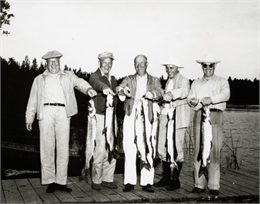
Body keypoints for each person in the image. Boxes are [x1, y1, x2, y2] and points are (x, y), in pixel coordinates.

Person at [25, 50, 97, 193]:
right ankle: (50, 181)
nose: (53, 65)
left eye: (56, 62)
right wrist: (29, 117)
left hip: (64, 112)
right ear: (46, 64)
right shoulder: (39, 79)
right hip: (45, 112)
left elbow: (80, 82)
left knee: (63, 148)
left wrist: (88, 89)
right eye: (50, 62)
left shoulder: (68, 75)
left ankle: (61, 182)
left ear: (60, 63)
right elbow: (33, 99)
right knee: (47, 147)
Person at [116, 54, 162, 193]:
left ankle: (147, 181)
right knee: (129, 147)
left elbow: (160, 92)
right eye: (136, 63)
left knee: (148, 146)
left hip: (147, 117)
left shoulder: (154, 80)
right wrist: (123, 90)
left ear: (147, 64)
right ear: (134, 65)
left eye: (142, 63)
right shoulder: (129, 79)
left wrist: (153, 94)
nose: (139, 66)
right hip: (131, 115)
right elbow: (119, 88)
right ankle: (129, 181)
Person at [187, 54, 230, 196]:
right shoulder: (195, 83)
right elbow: (190, 97)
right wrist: (192, 101)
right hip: (199, 115)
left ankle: (213, 185)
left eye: (210, 65)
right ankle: (199, 184)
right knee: (199, 151)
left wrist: (210, 99)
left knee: (214, 152)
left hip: (215, 116)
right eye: (204, 65)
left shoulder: (222, 81)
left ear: (214, 66)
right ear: (202, 67)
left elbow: (226, 94)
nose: (207, 68)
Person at [154, 56, 191, 190]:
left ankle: (175, 181)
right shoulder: (168, 80)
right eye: (167, 67)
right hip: (166, 117)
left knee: (177, 149)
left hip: (178, 119)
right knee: (161, 148)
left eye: (171, 68)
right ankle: (165, 178)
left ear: (177, 68)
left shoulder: (183, 80)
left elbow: (184, 91)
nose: (168, 70)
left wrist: (171, 94)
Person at [88, 52, 118, 190]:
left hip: (112, 117)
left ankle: (108, 178)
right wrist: (104, 88)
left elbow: (116, 97)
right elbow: (95, 83)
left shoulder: (113, 79)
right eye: (104, 63)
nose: (107, 65)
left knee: (111, 147)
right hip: (99, 117)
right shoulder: (95, 76)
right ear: (99, 63)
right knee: (99, 149)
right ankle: (96, 179)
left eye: (109, 63)